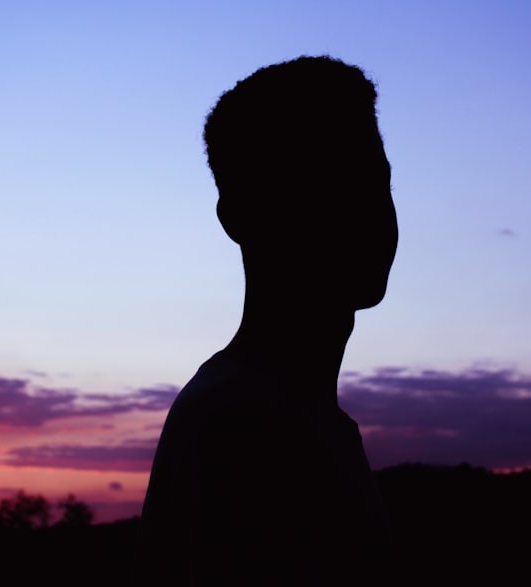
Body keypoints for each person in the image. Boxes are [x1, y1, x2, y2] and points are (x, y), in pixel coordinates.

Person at [140, 56, 398, 585]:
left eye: (374, 181)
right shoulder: (246, 425)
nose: (362, 213)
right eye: (322, 188)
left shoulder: (277, 410)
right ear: (237, 216)